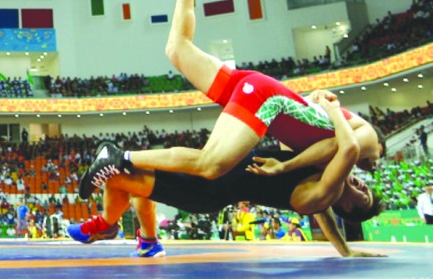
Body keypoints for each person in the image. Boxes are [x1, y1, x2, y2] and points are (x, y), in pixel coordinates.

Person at [80, 0, 383, 200]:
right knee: (210, 165)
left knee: (177, 49)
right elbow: (346, 147)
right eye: (380, 157)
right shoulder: (365, 140)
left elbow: (313, 151)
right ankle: (120, 157)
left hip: (261, 91)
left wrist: (344, 248)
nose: (375, 166)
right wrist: (295, 156)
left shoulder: (326, 161)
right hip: (266, 96)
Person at [69, 94, 384, 258]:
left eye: (363, 195)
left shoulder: (320, 192)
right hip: (221, 173)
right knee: (128, 176)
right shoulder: (323, 183)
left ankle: (111, 225)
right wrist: (343, 248)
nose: (361, 183)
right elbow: (326, 212)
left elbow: (350, 148)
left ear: (349, 209)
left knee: (119, 177)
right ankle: (146, 240)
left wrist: (332, 110)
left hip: (208, 190)